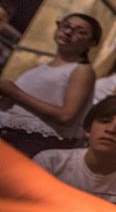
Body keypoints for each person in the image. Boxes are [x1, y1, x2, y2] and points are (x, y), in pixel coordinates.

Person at [0, 13, 102, 157]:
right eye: (66, 26)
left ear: (91, 42)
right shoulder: (41, 67)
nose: (68, 32)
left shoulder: (81, 70)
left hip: (34, 142)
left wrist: (15, 93)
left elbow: (66, 115)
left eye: (80, 32)